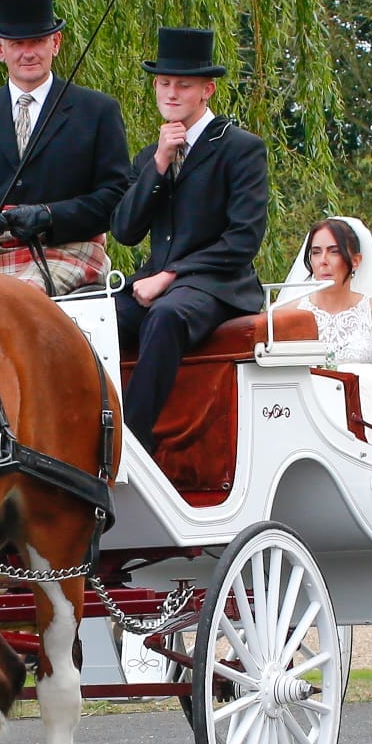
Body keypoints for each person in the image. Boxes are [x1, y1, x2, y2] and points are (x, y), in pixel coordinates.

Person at [110, 27, 268, 452]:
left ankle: (130, 445)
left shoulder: (240, 149)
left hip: (218, 285)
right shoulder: (151, 155)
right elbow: (125, 231)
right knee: (94, 319)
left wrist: (171, 275)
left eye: (183, 84)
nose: (171, 93)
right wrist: (159, 163)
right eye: (164, 83)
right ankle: (77, 429)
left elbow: (243, 240)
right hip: (156, 284)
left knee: (166, 316)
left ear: (207, 90)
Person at [0, 0, 131, 295]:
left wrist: (49, 216)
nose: (28, 53)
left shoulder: (97, 111)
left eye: (38, 41)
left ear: (55, 43)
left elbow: (115, 196)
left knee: (17, 299)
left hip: (67, 248)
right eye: (17, 44)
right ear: (0, 49)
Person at [289, 217, 372, 431]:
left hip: (369, 425)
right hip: (306, 425)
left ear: (355, 261)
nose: (323, 261)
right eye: (316, 252)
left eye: (334, 251)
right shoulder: (289, 315)